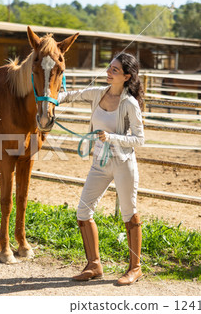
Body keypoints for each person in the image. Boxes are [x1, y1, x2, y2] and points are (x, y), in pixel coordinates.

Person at [58, 52, 145, 285]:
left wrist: (112, 137)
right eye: (109, 67)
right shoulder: (98, 93)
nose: (108, 71)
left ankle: (135, 268)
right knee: (83, 212)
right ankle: (94, 264)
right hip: (99, 162)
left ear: (126, 76)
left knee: (129, 213)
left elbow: (139, 139)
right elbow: (71, 95)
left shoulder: (129, 104)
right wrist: (52, 99)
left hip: (123, 164)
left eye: (114, 70)